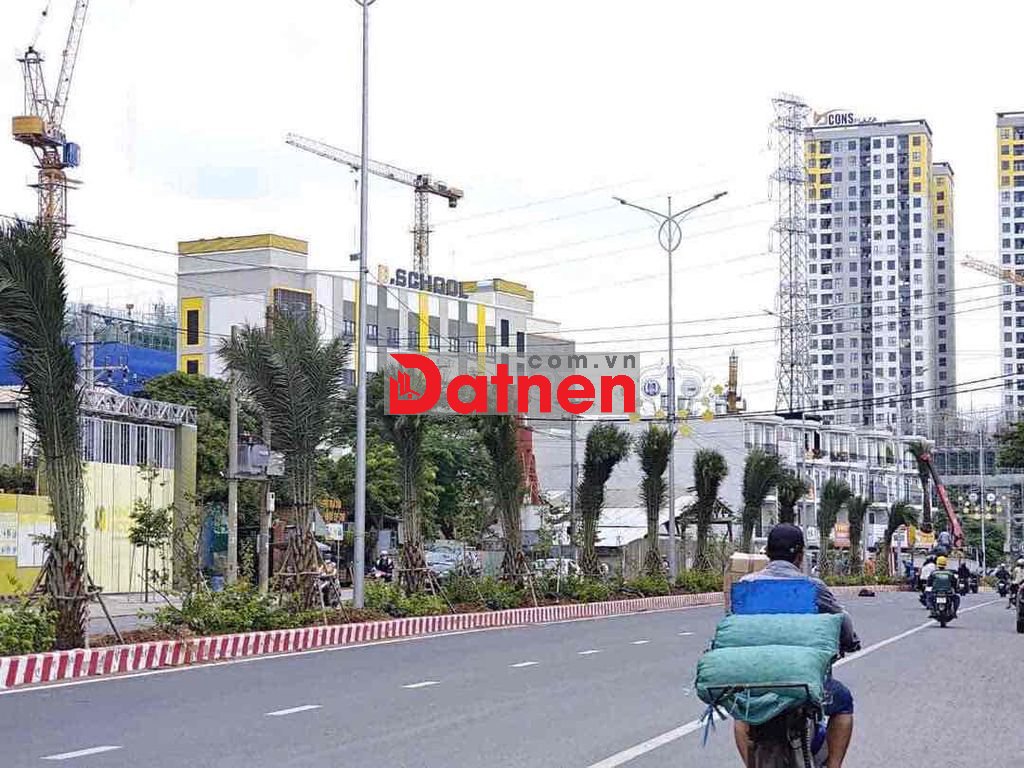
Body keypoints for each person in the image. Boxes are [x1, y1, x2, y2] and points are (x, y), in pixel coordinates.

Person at [733, 524, 860, 768]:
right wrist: (850, 641)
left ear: (767, 553)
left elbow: (735, 627)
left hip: (759, 677)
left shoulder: (746, 584)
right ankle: (833, 765)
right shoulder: (812, 586)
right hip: (802, 680)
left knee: (742, 714)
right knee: (843, 702)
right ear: (800, 555)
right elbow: (842, 620)